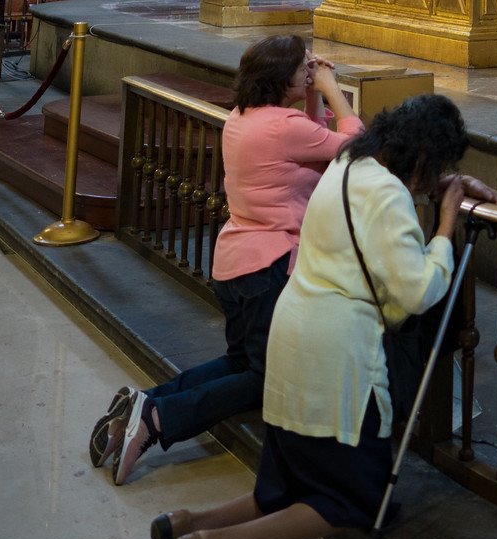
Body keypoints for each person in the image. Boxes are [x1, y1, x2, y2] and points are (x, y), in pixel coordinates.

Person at [152, 96, 497, 539]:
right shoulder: (386, 194)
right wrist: (446, 223)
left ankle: (186, 525)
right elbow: (416, 292)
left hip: (296, 336)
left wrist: (439, 185)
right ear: (425, 157)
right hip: (337, 357)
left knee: (289, 481)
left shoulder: (349, 165)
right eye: (436, 170)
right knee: (351, 501)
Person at [96, 36, 362, 485]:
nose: (310, 72)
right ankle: (158, 420)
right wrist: (335, 89)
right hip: (268, 267)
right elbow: (354, 146)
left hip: (236, 261)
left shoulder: (244, 117)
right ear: (281, 78)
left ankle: (145, 400)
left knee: (241, 362)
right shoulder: (284, 127)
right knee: (265, 378)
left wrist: (312, 92)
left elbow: (315, 141)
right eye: (303, 69)